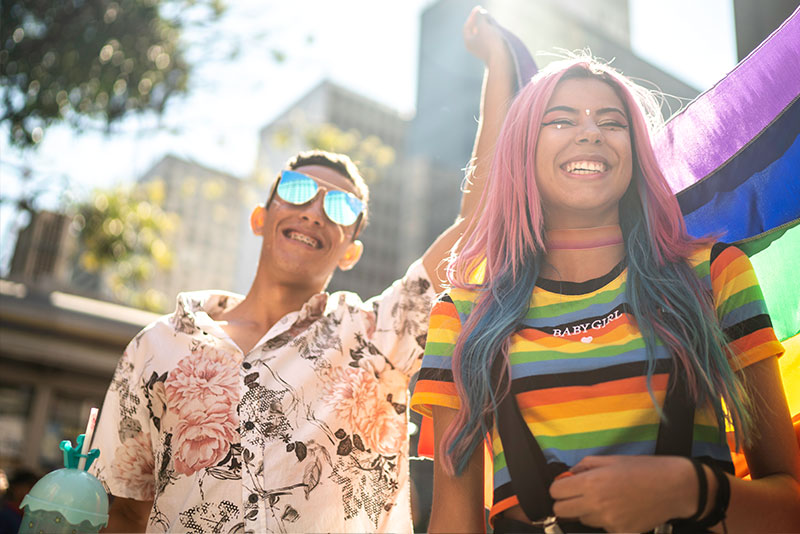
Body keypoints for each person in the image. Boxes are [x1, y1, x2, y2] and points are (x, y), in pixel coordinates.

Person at [89, 8, 517, 533]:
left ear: (351, 251)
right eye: (296, 191)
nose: (314, 210)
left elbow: (477, 221)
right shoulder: (156, 345)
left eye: (340, 209)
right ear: (260, 218)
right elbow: (124, 509)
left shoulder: (374, 338)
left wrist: (497, 61)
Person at [410, 43, 800, 534]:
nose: (591, 132)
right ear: (522, 151)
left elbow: (789, 507)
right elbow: (454, 524)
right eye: (561, 120)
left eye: (612, 122)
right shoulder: (462, 314)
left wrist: (689, 489)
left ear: (635, 151)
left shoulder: (716, 274)